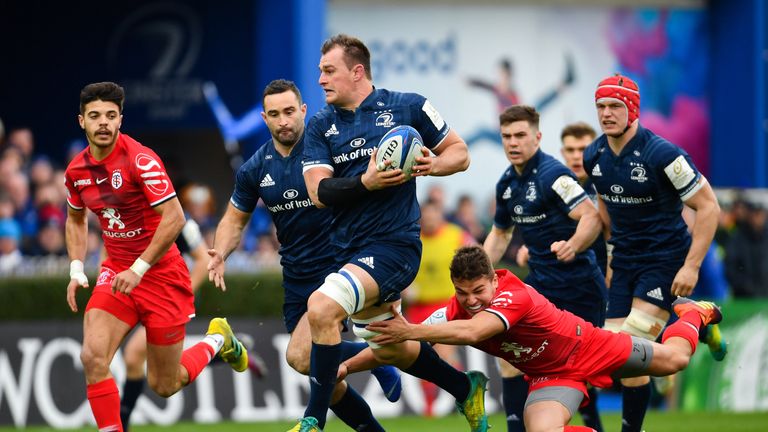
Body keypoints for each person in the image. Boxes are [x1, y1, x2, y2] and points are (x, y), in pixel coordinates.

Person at [299, 34, 487, 432]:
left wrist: (429, 166)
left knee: (321, 308)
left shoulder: (409, 105)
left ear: (357, 71)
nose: (320, 80)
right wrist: (366, 182)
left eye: (328, 71)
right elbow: (319, 193)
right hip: (348, 250)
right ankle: (464, 387)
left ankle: (312, 421)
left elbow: (460, 152)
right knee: (393, 349)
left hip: (394, 246)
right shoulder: (320, 125)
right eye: (320, 72)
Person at [206, 79, 402, 432]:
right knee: (316, 368)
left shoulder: (327, 148)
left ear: (303, 111)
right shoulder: (255, 167)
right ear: (265, 118)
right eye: (275, 114)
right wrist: (220, 252)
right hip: (296, 274)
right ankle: (372, 364)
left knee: (298, 355)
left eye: (289, 112)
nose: (283, 121)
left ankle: (373, 366)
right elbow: (234, 220)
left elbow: (364, 191)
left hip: (338, 266)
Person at [358, 245, 725, 432]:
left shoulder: (514, 295)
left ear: (495, 280)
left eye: (478, 291)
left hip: (591, 347)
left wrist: (412, 329)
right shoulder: (458, 307)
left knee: (674, 361)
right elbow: (401, 347)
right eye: (462, 292)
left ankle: (695, 313)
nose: (470, 300)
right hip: (552, 375)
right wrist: (346, 366)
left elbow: (473, 332)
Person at [64, 82, 248, 432]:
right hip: (117, 273)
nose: (103, 123)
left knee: (165, 384)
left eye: (110, 116)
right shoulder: (75, 172)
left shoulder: (140, 160)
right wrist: (76, 268)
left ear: (120, 120)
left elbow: (175, 217)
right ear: (81, 121)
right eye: (95, 116)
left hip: (160, 276)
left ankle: (218, 339)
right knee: (92, 356)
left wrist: (140, 267)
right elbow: (74, 218)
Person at [582, 73, 723, 432]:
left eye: (615, 106)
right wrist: (611, 255)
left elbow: (708, 207)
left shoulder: (663, 154)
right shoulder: (594, 155)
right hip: (626, 260)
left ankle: (692, 319)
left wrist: (691, 266)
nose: (606, 114)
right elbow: (604, 206)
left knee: (631, 346)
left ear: (633, 109)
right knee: (618, 357)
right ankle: (686, 330)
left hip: (665, 258)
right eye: (600, 106)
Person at [483, 106, 607, 432]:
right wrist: (476, 273)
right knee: (510, 355)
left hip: (579, 287)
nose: (513, 142)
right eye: (507, 136)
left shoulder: (555, 175)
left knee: (587, 373)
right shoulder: (507, 184)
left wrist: (573, 245)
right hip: (541, 287)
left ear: (537, 137)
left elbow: (591, 216)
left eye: (520, 135)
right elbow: (499, 235)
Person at [119, 217, 269, 431]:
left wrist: (180, 295)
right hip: (148, 296)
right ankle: (222, 348)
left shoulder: (179, 221)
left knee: (139, 358)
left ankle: (121, 426)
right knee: (146, 362)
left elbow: (202, 259)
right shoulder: (131, 216)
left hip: (168, 301)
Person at [405, 199, 475, 416]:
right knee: (417, 359)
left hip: (446, 305)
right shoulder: (412, 238)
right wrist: (404, 287)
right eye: (425, 215)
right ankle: (429, 410)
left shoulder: (456, 235)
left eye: (433, 214)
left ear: (440, 214)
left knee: (444, 356)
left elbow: (478, 256)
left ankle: (467, 396)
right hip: (418, 307)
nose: (430, 219)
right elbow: (399, 267)